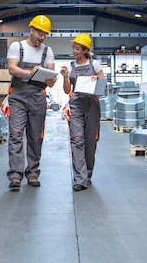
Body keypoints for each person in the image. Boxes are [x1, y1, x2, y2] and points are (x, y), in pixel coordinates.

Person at [5, 14, 57, 190]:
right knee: (16, 133)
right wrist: (31, 73)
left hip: (38, 96)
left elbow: (51, 74)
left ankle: (33, 172)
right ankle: (15, 175)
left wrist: (51, 80)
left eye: (45, 34)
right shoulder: (16, 47)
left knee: (35, 136)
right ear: (31, 30)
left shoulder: (47, 51)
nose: (42, 37)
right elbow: (12, 68)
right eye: (39, 33)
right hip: (18, 95)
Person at [60, 33, 105, 191]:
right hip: (76, 104)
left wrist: (95, 80)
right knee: (77, 139)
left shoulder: (95, 65)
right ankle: (80, 179)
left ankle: (87, 174)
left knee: (90, 141)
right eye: (73, 47)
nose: (74, 51)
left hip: (92, 104)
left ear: (85, 50)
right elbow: (67, 90)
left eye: (77, 48)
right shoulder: (71, 66)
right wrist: (65, 77)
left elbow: (102, 87)